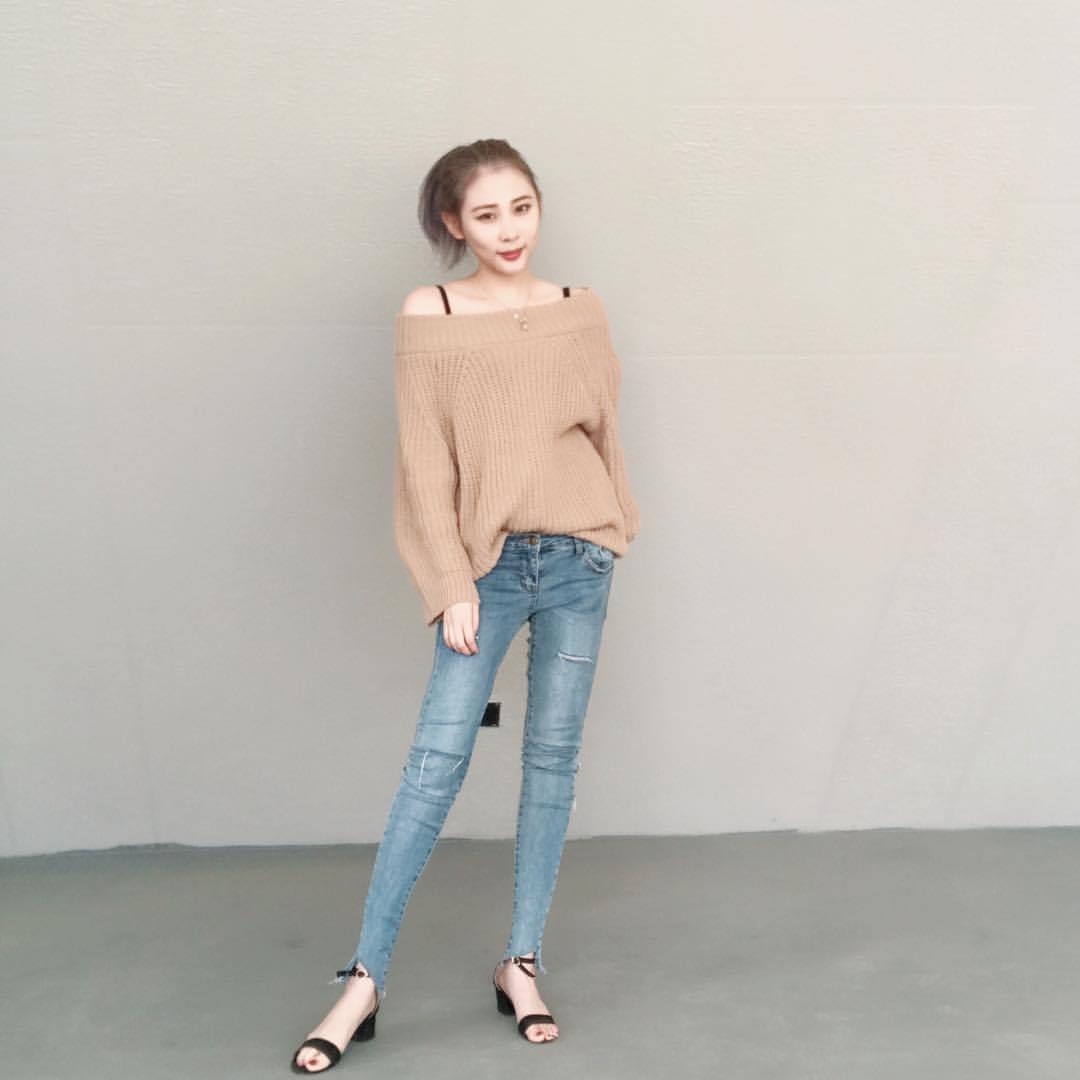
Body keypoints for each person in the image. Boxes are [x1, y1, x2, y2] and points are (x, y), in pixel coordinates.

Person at [291, 138, 641, 1073]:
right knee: (435, 765)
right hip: (485, 568)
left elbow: (604, 428)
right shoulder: (431, 313)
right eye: (486, 215)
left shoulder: (580, 308)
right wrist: (449, 582)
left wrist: (615, 527)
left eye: (521, 207)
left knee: (552, 761)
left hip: (579, 559)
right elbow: (423, 460)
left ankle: (520, 964)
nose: (509, 229)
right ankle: (363, 982)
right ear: (454, 224)